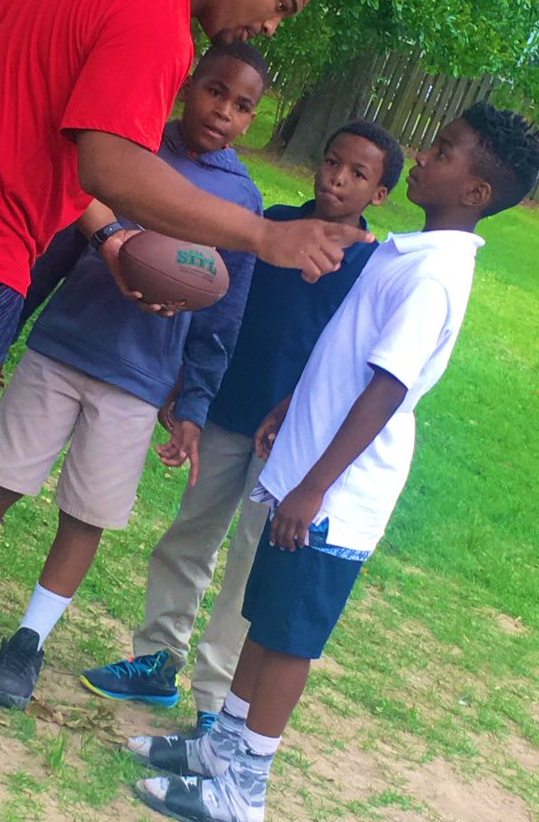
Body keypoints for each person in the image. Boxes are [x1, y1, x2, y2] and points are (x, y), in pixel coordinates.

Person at [0, 0, 374, 743]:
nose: (269, 27)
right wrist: (261, 236)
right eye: (281, 5)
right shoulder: (160, 12)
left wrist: (110, 239)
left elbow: (56, 131)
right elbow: (112, 164)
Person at [125, 103, 539, 822]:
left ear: (476, 192)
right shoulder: (406, 252)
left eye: (444, 151)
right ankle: (219, 751)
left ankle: (244, 791)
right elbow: (347, 353)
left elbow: (388, 386)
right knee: (264, 618)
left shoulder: (435, 275)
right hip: (304, 470)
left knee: (288, 640)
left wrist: (314, 487)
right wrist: (291, 405)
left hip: (335, 495)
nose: (424, 154)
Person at [0, 41, 268, 711]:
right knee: (0, 479)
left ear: (253, 119)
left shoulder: (242, 200)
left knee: (86, 515)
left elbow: (225, 314)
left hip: (139, 380)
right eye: (215, 91)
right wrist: (3, 332)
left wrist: (193, 403)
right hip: (63, 347)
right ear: (189, 84)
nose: (224, 111)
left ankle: (29, 641)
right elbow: (58, 244)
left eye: (242, 106)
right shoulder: (129, 150)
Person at [81, 120, 405, 731]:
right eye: (332, 161)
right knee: (188, 537)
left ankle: (216, 698)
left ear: (380, 193)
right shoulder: (273, 226)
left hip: (291, 439)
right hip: (228, 410)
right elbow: (224, 308)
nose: (337, 178)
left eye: (358, 173)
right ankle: (156, 660)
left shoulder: (373, 267)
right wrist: (190, 387)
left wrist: (299, 422)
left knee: (249, 569)